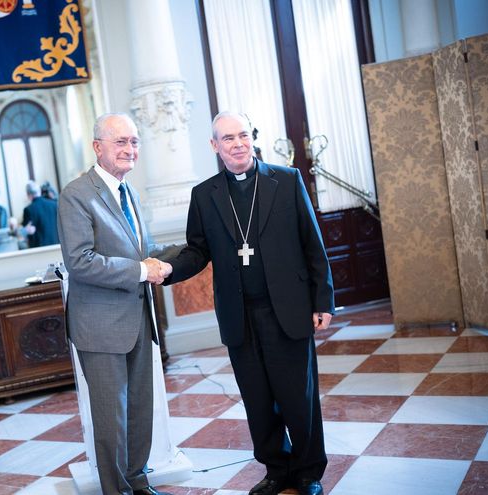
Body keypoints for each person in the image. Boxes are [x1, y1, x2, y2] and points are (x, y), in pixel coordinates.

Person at [164, 112, 333, 495]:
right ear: (214, 146)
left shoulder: (286, 180)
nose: (237, 144)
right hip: (240, 316)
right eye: (228, 138)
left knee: (298, 398)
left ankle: (308, 473)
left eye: (243, 135)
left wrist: (322, 300)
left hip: (287, 310)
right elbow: (196, 251)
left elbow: (313, 243)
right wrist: (166, 270)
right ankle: (276, 469)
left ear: (252, 139)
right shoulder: (204, 195)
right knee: (258, 400)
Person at [58, 113, 175, 495]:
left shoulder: (130, 192)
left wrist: (188, 254)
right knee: (112, 417)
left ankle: (138, 481)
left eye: (134, 142)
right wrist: (143, 270)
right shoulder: (77, 194)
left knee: (141, 408)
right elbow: (80, 261)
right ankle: (117, 490)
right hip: (100, 326)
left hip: (139, 320)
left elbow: (147, 251)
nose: (130, 149)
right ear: (98, 147)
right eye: (120, 142)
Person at [22, 180, 59, 248]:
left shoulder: (28, 210)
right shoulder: (54, 205)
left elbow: (27, 230)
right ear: (39, 191)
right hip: (57, 245)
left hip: (39, 249)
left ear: (28, 195)